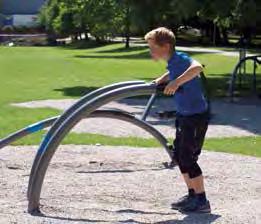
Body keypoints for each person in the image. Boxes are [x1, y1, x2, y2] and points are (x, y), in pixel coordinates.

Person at [144, 27, 211, 213]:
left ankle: (202, 200)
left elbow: (197, 67)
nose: (150, 52)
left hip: (195, 116)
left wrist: (176, 83)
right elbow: (173, 73)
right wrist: (161, 79)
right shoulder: (173, 62)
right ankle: (192, 195)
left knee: (188, 158)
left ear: (165, 46)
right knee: (180, 156)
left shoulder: (180, 58)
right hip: (185, 115)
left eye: (152, 47)